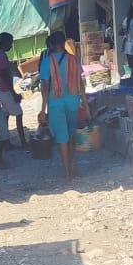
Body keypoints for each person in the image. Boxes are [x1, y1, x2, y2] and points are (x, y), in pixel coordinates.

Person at [39, 29, 88, 180]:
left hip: (56, 102)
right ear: (64, 42)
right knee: (71, 133)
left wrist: (42, 109)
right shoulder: (73, 59)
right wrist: (85, 103)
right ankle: (74, 166)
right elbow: (81, 83)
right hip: (73, 100)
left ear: (52, 44)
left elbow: (45, 87)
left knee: (62, 137)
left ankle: (67, 172)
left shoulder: (47, 61)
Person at [0, 33, 26, 164]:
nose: (11, 45)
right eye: (10, 43)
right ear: (5, 42)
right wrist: (14, 93)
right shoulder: (2, 56)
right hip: (5, 90)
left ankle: (7, 142)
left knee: (6, 115)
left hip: (0, 90)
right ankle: (23, 142)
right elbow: (6, 75)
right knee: (19, 113)